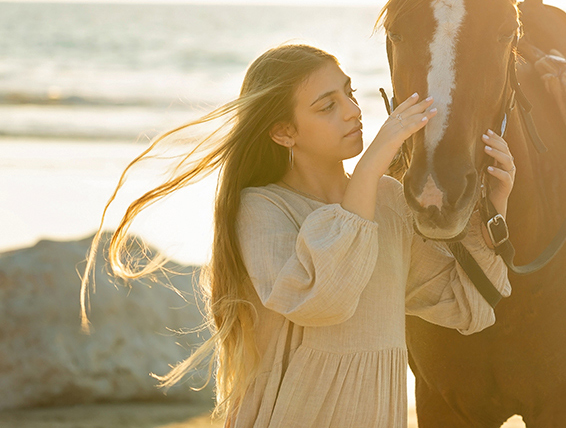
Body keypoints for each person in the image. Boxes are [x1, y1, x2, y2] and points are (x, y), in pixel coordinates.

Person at [81, 44, 512, 427]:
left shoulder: (388, 200)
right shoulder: (262, 209)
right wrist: (372, 163)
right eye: (327, 106)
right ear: (283, 132)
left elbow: (466, 306)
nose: (351, 110)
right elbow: (324, 300)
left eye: (349, 92)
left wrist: (496, 204)